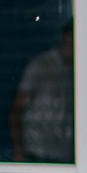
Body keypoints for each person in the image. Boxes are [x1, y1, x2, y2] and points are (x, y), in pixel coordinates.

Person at [10, 19, 75, 162]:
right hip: (36, 155)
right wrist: (18, 152)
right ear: (65, 38)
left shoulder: (80, 71)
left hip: (66, 158)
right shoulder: (41, 65)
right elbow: (17, 109)